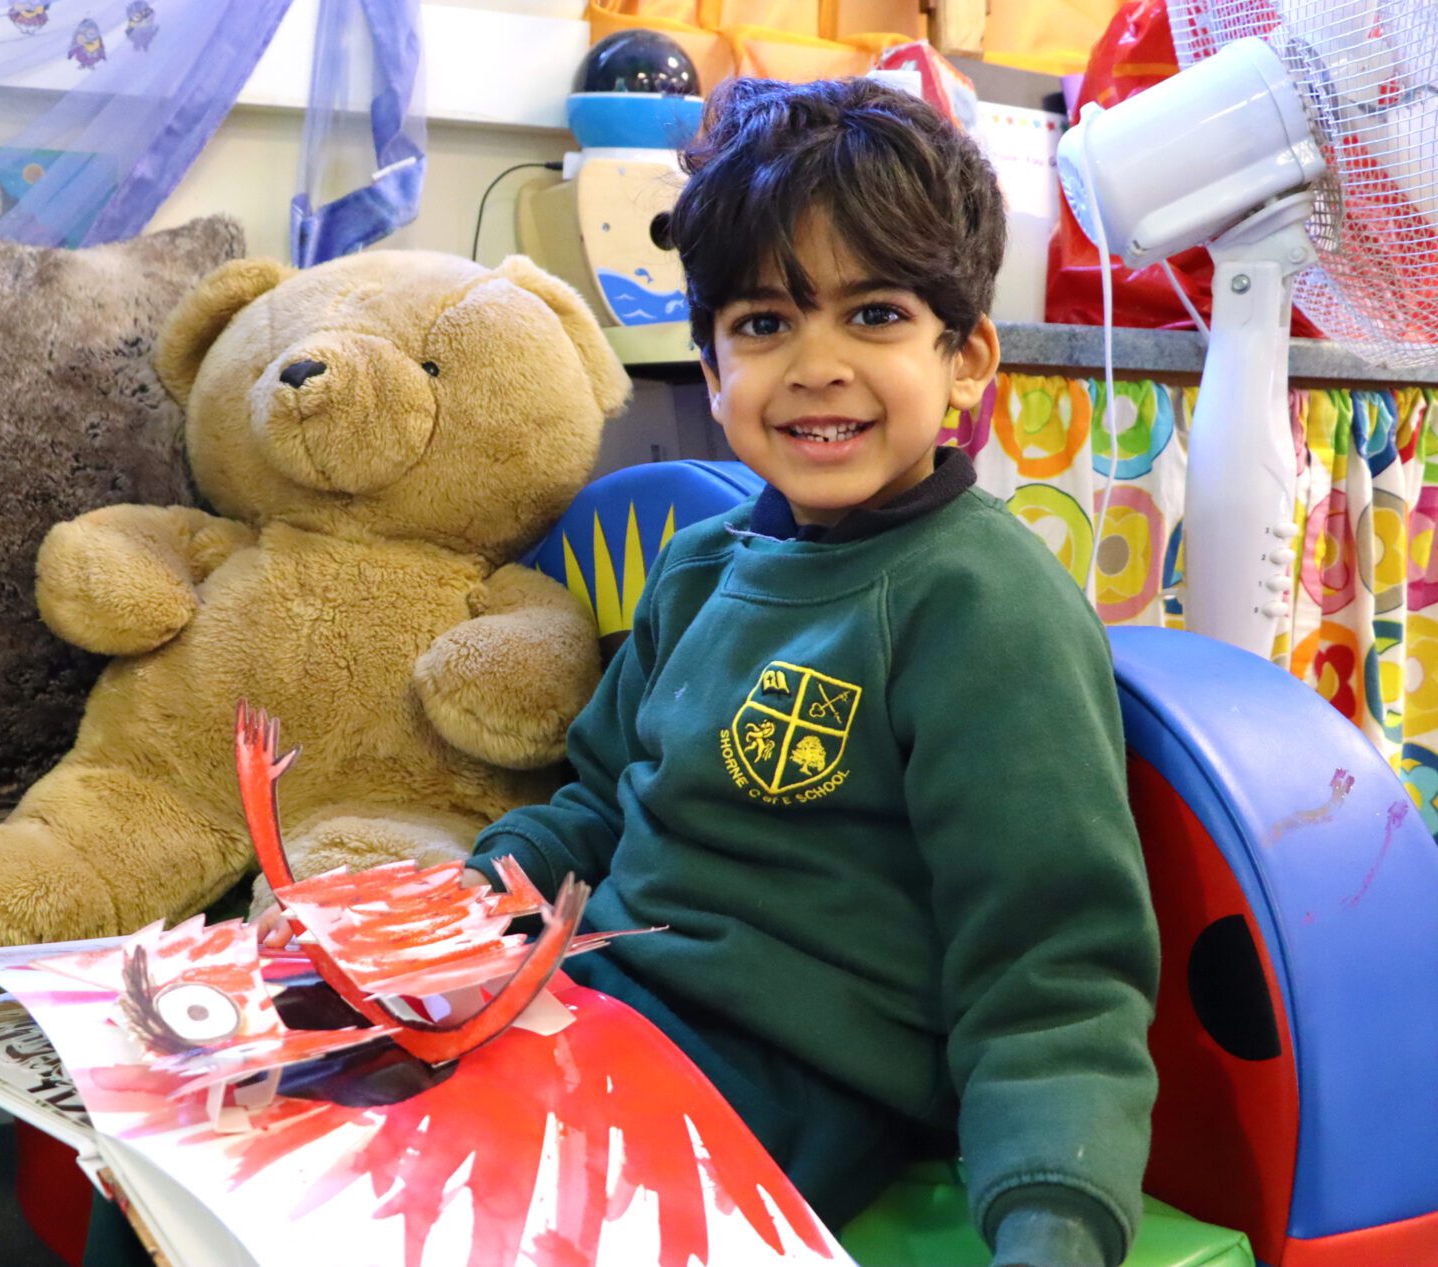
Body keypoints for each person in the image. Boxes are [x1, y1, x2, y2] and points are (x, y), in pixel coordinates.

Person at [261, 75, 1157, 1267]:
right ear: (714, 366)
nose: (815, 365)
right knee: (225, 1115)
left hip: (787, 1079)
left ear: (966, 358)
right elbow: (589, 808)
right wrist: (456, 918)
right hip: (591, 1007)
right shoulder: (697, 568)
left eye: (874, 315)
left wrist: (1053, 1224)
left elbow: (1052, 974)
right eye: (764, 324)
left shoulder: (982, 605)